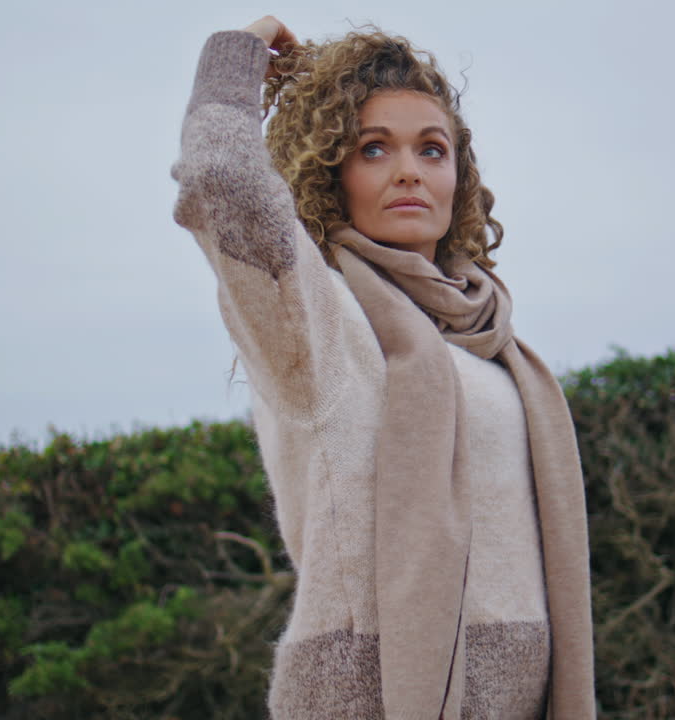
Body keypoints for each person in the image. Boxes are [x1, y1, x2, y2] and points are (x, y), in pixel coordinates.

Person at [171, 15, 595, 719]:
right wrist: (237, 58)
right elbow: (222, 184)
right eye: (373, 149)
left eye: (432, 150)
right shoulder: (316, 324)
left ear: (459, 176)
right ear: (331, 172)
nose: (408, 170)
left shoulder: (492, 342)